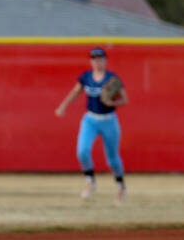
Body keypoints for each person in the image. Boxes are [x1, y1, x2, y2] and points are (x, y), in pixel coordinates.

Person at [54, 47, 130, 204]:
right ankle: (90, 181)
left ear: (105, 61)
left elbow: (125, 100)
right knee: (82, 151)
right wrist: (63, 106)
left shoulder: (111, 78)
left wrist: (113, 102)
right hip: (90, 120)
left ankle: (120, 187)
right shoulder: (86, 77)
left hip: (109, 120)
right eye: (95, 59)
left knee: (112, 159)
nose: (98, 62)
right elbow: (75, 92)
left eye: (100, 59)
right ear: (91, 61)